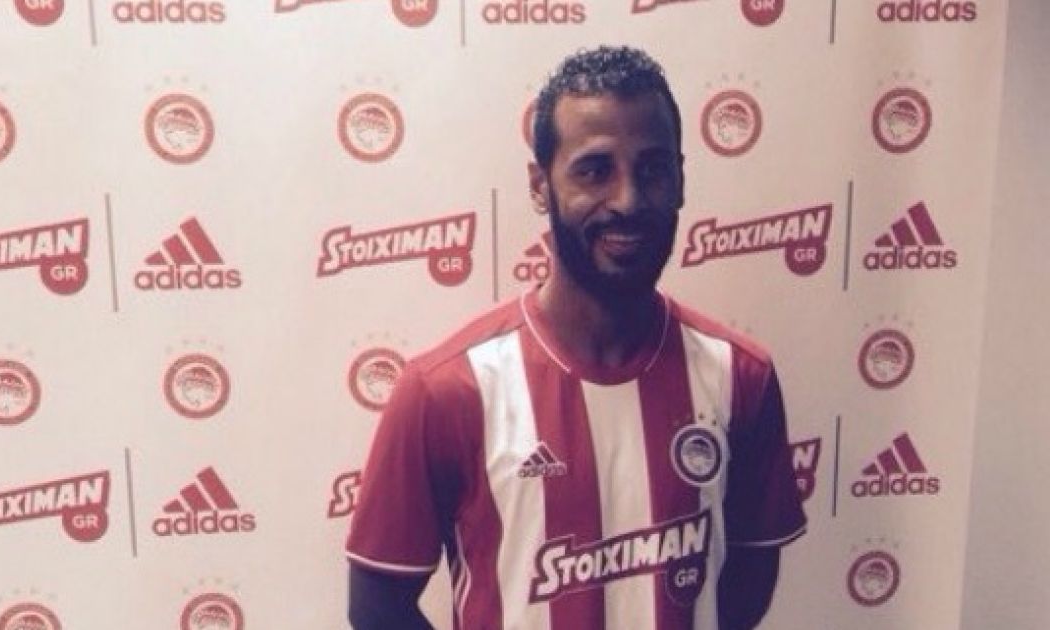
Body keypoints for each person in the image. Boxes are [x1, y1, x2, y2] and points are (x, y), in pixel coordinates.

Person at [345, 45, 807, 630]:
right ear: (540, 186)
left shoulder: (739, 376)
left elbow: (748, 581)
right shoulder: (447, 390)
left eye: (653, 169)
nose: (628, 200)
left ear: (681, 179)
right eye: (594, 170)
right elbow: (377, 608)